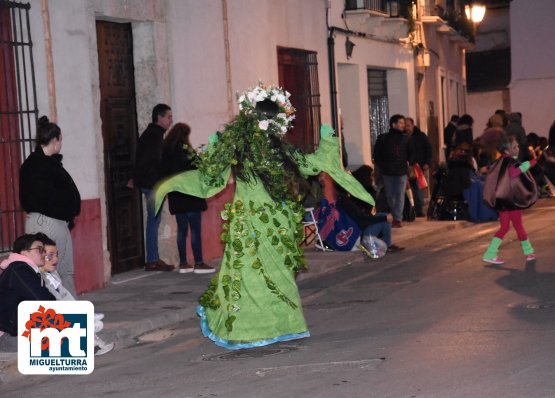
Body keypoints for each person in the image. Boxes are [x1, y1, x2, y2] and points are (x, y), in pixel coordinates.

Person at [155, 83, 374, 350]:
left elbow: (211, 178)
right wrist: (327, 143)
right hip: (276, 221)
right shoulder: (280, 150)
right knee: (277, 272)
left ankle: (252, 328)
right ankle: (282, 325)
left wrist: (210, 153)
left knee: (247, 274)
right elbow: (312, 164)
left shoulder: (241, 148)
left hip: (249, 220)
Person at [19, 116, 81, 298]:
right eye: (60, 140)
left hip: (54, 222)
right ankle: (63, 317)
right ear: (55, 141)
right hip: (48, 223)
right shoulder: (39, 165)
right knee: (51, 271)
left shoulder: (42, 163)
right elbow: (46, 198)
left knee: (64, 271)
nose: (61, 144)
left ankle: (73, 314)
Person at [36, 233, 114, 355]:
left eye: (56, 255)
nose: (55, 259)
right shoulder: (38, 277)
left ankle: (91, 344)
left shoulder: (53, 274)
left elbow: (65, 295)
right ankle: (87, 344)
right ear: (39, 256)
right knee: (89, 324)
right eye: (50, 256)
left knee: (95, 323)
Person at [161, 123, 213, 274]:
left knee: (181, 229)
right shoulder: (186, 150)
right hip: (190, 194)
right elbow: (197, 166)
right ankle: (198, 262)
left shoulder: (167, 151)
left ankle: (183, 263)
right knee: (195, 229)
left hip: (176, 195)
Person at [482, 137, 538, 265]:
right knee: (517, 225)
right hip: (511, 201)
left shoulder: (500, 162)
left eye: (517, 146)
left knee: (505, 227)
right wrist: (529, 164)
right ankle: (528, 252)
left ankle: (490, 253)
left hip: (503, 201)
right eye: (514, 147)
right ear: (507, 150)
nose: (517, 149)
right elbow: (513, 173)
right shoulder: (509, 162)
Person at [133, 104, 175, 272]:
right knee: (153, 221)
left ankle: (153, 258)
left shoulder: (152, 134)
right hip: (153, 184)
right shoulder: (155, 136)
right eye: (168, 117)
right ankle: (152, 259)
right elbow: (155, 162)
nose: (171, 121)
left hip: (150, 183)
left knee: (153, 220)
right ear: (159, 117)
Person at [0, 234, 56, 351]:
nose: (44, 254)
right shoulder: (19, 269)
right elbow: (43, 299)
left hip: (19, 329)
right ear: (24, 253)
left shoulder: (26, 269)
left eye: (44, 250)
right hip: (8, 335)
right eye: (40, 250)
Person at [373, 114, 410, 228]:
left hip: (401, 172)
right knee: (390, 196)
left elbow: (412, 152)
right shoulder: (384, 138)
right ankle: (394, 215)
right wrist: (383, 166)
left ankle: (397, 218)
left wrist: (409, 161)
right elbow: (377, 154)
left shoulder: (406, 138)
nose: (403, 125)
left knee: (399, 195)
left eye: (403, 123)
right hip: (388, 172)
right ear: (393, 124)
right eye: (400, 123)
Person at [405, 117, 432, 217]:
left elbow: (429, 150)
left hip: (418, 167)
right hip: (406, 167)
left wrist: (427, 163)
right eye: (405, 126)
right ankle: (410, 209)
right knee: (408, 189)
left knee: (417, 188)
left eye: (408, 125)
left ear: (413, 125)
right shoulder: (403, 137)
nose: (406, 128)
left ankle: (419, 209)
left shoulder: (421, 136)